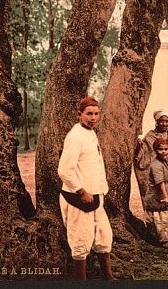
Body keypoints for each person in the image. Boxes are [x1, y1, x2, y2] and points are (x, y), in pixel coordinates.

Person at [57, 96, 115, 280]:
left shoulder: (90, 133)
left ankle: (107, 275)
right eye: (89, 114)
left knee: (103, 236)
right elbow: (64, 170)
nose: (93, 118)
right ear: (79, 114)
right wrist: (81, 191)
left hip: (96, 195)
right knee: (80, 240)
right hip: (79, 198)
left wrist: (98, 190)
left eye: (96, 114)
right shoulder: (75, 136)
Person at [134, 109, 168, 219]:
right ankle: (159, 224)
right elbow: (144, 156)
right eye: (162, 121)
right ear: (157, 122)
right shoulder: (150, 137)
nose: (164, 124)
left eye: (167, 121)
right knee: (159, 197)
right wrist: (139, 146)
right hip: (158, 173)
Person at [143, 138, 168, 248]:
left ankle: (162, 238)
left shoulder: (164, 162)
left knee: (164, 218)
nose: (163, 151)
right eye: (160, 149)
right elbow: (160, 183)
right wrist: (166, 197)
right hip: (157, 196)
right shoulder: (156, 165)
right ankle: (162, 241)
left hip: (163, 194)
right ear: (155, 151)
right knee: (159, 220)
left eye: (166, 149)